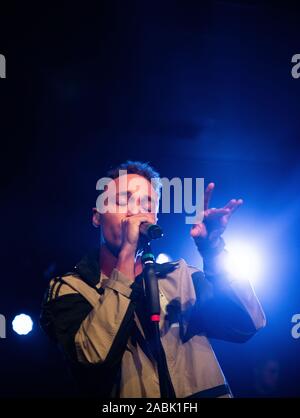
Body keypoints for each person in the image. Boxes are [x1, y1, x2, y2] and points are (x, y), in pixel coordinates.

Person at [40, 160, 266, 398]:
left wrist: (213, 249)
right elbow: (92, 358)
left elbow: (249, 323)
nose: (135, 211)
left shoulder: (181, 277)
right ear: (97, 216)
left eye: (147, 204)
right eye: (123, 200)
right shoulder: (69, 288)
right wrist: (127, 253)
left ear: (155, 219)